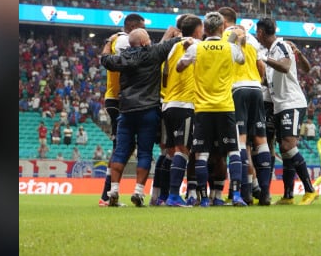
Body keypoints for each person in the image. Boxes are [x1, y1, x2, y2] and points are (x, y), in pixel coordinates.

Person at [101, 25, 183, 207]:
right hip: (148, 110)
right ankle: (138, 192)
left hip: (126, 111)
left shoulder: (122, 57)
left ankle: (113, 191)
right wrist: (175, 34)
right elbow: (174, 42)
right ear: (145, 42)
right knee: (145, 152)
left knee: (121, 151)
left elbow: (105, 59)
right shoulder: (154, 53)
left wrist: (108, 41)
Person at [176, 11, 247, 207]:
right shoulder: (230, 48)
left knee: (202, 153)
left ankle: (204, 198)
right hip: (225, 107)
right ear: (222, 28)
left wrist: (187, 51)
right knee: (233, 151)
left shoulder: (196, 48)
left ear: (205, 29)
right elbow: (241, 60)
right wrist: (234, 40)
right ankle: (236, 195)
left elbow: (179, 67)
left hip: (203, 108)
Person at [255, 17, 318, 205]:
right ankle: (288, 195)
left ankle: (310, 190)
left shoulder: (280, 46)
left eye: (257, 32)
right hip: (279, 106)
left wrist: (264, 59)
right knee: (284, 150)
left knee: (287, 146)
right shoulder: (271, 51)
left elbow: (285, 66)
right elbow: (268, 82)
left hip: (292, 103)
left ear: (261, 32)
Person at [218, 7, 271, 205]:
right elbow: (261, 66)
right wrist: (259, 81)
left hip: (237, 89)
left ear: (224, 22)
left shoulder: (226, 36)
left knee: (241, 141)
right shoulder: (252, 38)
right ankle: (265, 193)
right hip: (256, 89)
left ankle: (244, 192)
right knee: (260, 140)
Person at [99, 13, 146, 206]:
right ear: (133, 27)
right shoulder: (123, 40)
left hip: (117, 98)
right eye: (142, 28)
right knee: (121, 147)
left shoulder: (116, 40)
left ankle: (107, 194)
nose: (145, 32)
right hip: (119, 99)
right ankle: (106, 195)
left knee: (124, 146)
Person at [160, 14, 204, 207]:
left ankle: (164, 195)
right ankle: (173, 195)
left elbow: (165, 74)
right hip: (186, 104)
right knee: (183, 150)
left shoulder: (172, 47)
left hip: (168, 103)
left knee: (172, 151)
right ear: (197, 30)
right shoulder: (198, 46)